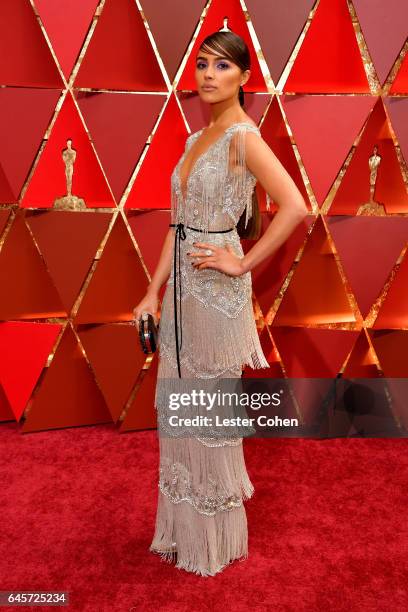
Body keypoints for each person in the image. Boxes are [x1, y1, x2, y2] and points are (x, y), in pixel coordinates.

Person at [133, 29, 308, 577]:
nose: (209, 74)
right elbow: (174, 227)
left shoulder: (242, 137)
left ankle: (212, 542)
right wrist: (151, 291)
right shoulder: (194, 140)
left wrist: (242, 262)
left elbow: (295, 207)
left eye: (223, 66)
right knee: (177, 411)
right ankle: (180, 533)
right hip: (182, 295)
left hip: (216, 294)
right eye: (203, 64)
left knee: (207, 412)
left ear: (244, 78)